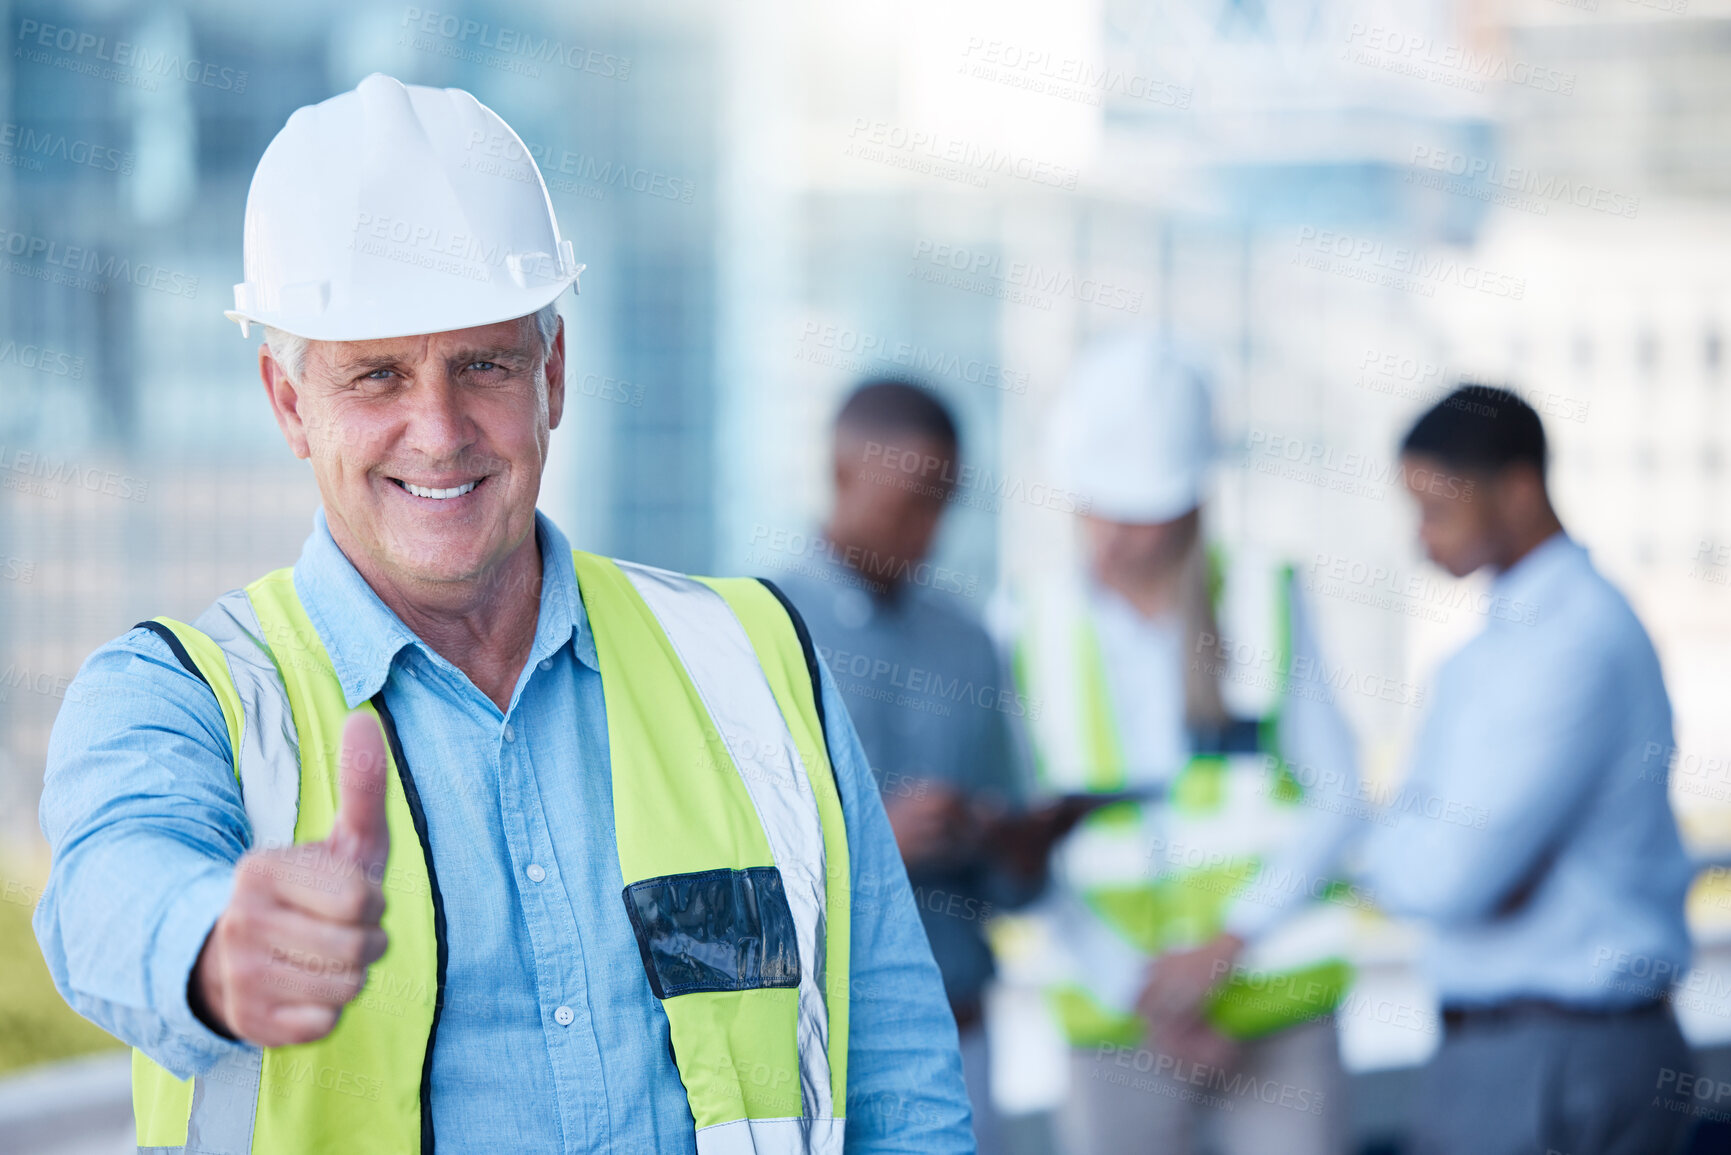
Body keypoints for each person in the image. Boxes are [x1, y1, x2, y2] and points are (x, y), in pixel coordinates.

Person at [31, 74, 970, 1154]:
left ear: (553, 376)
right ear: (290, 404)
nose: (438, 430)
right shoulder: (179, 696)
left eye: (482, 364)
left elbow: (898, 1082)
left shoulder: (754, 662)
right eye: (376, 376)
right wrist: (208, 942)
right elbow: (107, 888)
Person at [1011, 331, 1361, 1155]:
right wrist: (1147, 992)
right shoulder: (1026, 627)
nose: (1113, 533)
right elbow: (1023, 844)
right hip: (1114, 1025)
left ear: (1188, 502)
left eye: (1136, 511)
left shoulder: (1264, 598)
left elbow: (1339, 796)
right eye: (1097, 503)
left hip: (1276, 1015)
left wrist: (1228, 942)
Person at [1361, 384, 1698, 1155]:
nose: (1420, 539)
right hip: (1536, 1051)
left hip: (1550, 1062)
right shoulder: (1510, 643)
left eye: (1436, 510)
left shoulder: (1569, 642)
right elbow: (1450, 857)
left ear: (1516, 488)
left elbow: (1450, 876)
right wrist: (1425, 837)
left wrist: (1408, 836)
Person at [772, 379, 1079, 1155]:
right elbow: (717, 860)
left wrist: (1012, 842)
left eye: (944, 502)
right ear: (842, 472)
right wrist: (876, 845)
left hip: (961, 1032)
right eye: (911, 500)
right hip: (810, 1048)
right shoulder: (752, 624)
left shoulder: (970, 638)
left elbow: (1015, 885)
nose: (930, 530)